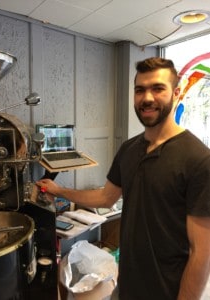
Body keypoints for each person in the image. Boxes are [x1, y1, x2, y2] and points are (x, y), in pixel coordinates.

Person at [36, 57, 210, 300]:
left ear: (177, 93)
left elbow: (201, 252)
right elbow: (106, 197)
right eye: (140, 90)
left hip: (167, 290)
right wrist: (60, 190)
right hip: (128, 283)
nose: (147, 98)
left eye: (158, 88)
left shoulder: (198, 159)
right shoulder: (129, 149)